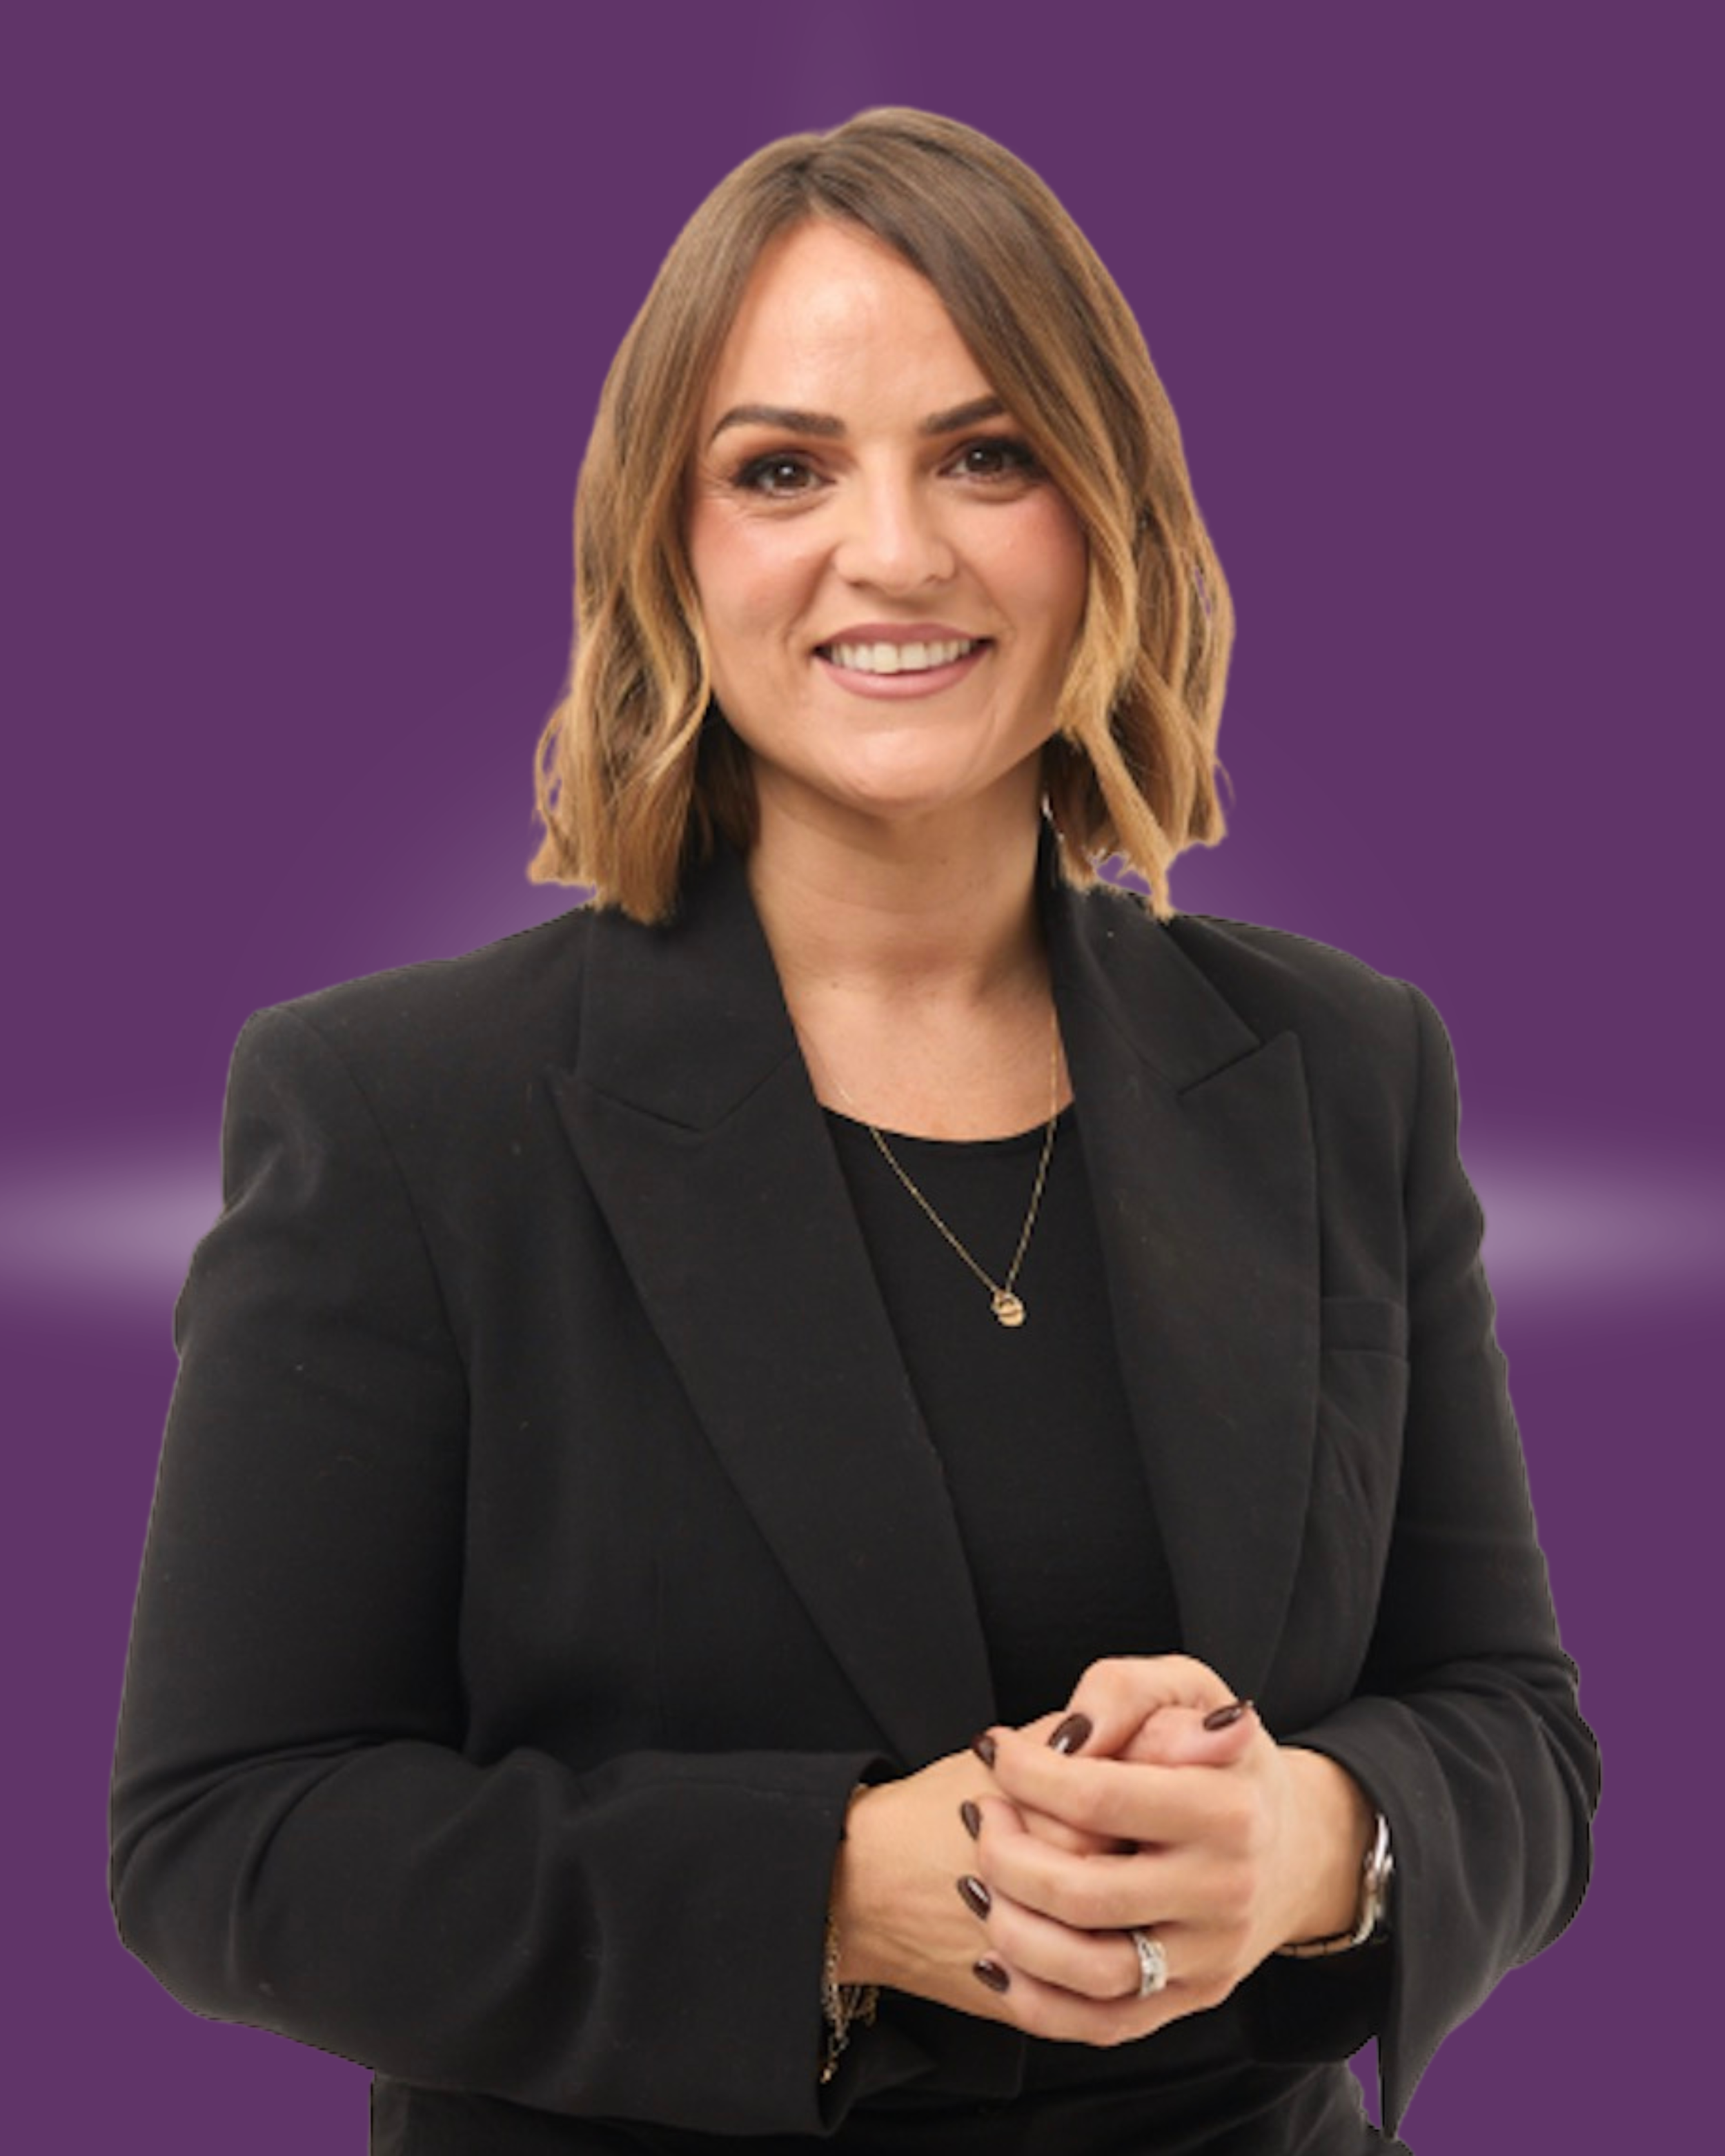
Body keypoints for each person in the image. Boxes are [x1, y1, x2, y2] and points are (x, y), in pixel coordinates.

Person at [109, 107, 1599, 2155]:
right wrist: (828, 1890)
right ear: (671, 545)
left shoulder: (1344, 1065)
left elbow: (1512, 1727)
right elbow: (224, 1841)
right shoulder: (400, 1111)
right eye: (783, 467)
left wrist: (1315, 1839)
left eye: (986, 456)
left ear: (1105, 517)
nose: (892, 552)